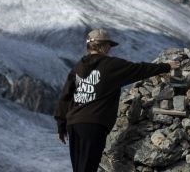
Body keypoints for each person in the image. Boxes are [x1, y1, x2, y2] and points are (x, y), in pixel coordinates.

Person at [54, 28, 180, 172]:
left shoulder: (78, 67)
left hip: (74, 124)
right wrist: (166, 66)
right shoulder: (111, 65)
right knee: (88, 168)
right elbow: (139, 69)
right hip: (94, 124)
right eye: (108, 45)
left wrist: (61, 125)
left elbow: (65, 96)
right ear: (102, 46)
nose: (109, 49)